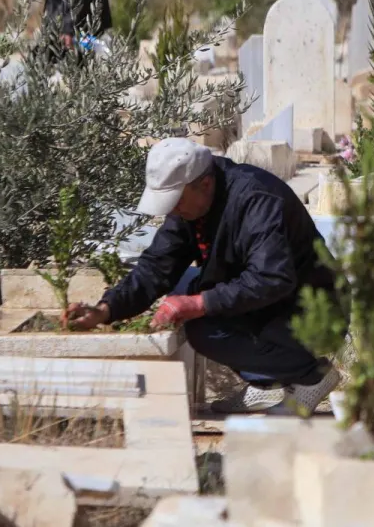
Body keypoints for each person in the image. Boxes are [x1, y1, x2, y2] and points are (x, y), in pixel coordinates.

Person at [64, 137, 343, 414]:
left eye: (175, 200)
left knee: (204, 326)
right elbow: (157, 266)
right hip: (267, 304)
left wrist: (199, 304)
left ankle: (312, 376)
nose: (172, 210)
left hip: (312, 308)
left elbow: (272, 278)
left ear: (205, 184)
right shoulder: (191, 206)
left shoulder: (256, 200)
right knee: (188, 292)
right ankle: (265, 383)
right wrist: (106, 309)